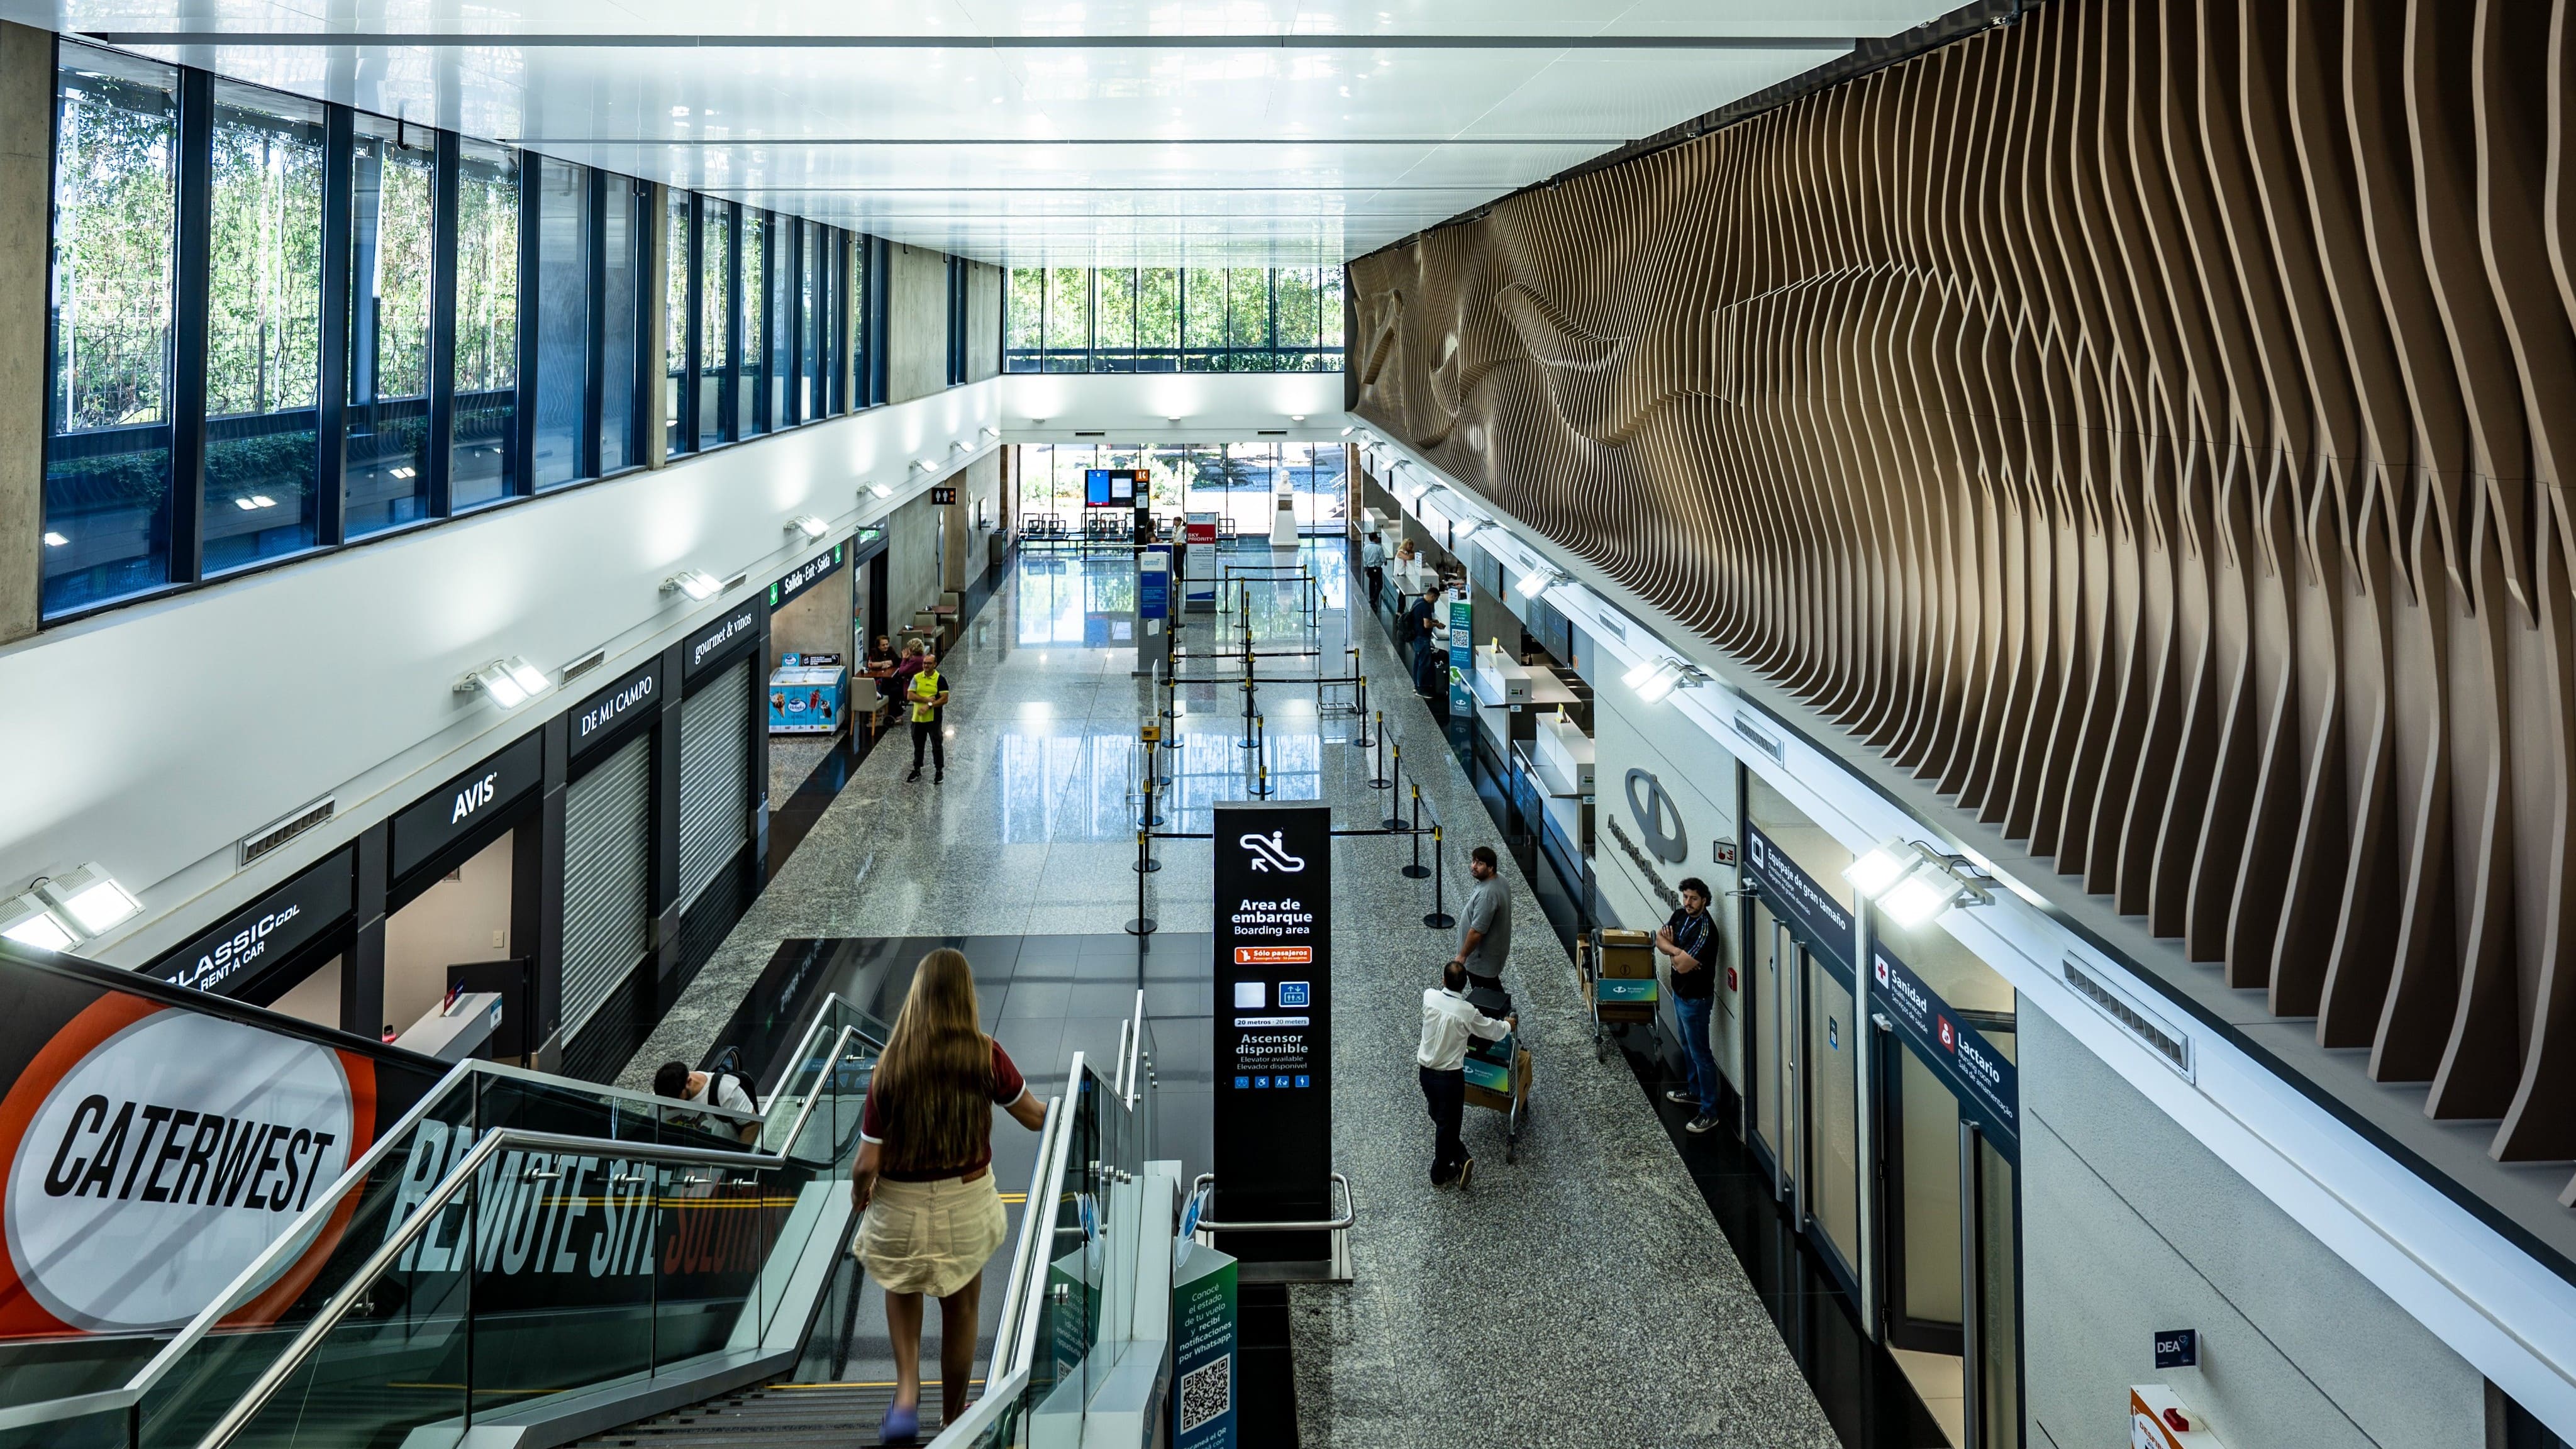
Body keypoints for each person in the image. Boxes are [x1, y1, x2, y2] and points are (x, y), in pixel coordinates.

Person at [852, 949, 1048, 1443]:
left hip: (899, 1201)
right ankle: (954, 1416)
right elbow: (1034, 1116)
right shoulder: (984, 1054)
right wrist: (1074, 1111)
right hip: (965, 1200)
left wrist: (861, 1193)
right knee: (960, 1311)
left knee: (901, 1285)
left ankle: (906, 1396)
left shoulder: (891, 1063)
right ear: (965, 996)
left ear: (917, 996)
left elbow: (867, 1163)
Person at [1418, 959, 1513, 1189]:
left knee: (1438, 1115)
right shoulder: (1467, 1012)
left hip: (1426, 1075)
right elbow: (1493, 1030)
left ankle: (1460, 1157)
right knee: (1447, 1125)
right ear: (1465, 984)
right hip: (1450, 1079)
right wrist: (1509, 1025)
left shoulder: (1429, 997)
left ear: (1443, 980)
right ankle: (1440, 1173)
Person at [1654, 877, 1724, 1134]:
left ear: (1704, 900)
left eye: (1693, 898)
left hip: (1696, 1000)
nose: (1688, 903)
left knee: (1701, 1055)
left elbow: (1682, 966)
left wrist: (1673, 954)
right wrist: (1676, 952)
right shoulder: (1680, 915)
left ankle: (1709, 1111)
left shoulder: (1706, 930)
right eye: (1685, 897)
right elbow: (1658, 939)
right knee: (1687, 1047)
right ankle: (1694, 1091)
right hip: (1680, 994)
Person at [1450, 844, 1512, 993]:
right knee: (1491, 988)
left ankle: (1506, 1014)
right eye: (1473, 861)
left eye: (1480, 864)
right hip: (1492, 955)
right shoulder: (1500, 880)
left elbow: (1477, 931)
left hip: (1481, 960)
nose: (1474, 866)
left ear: (1491, 868)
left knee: (1485, 995)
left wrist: (1463, 956)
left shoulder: (1487, 895)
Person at [652, 1058, 760, 1142]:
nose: (669, 1107)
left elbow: (752, 1124)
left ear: (689, 1082)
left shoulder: (725, 1090)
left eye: (675, 1100)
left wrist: (739, 1163)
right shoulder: (660, 1097)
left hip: (720, 1158)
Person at [905, 648, 950, 784]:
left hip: (934, 719)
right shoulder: (917, 678)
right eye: (925, 663)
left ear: (935, 664)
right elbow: (910, 695)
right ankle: (917, 769)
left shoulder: (940, 680)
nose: (926, 666)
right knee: (918, 745)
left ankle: (939, 771)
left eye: (929, 663)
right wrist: (926, 699)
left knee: (937, 744)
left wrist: (930, 706)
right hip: (917, 719)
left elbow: (944, 699)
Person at [1403, 589, 1439, 694]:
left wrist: (1434, 622)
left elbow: (1420, 619)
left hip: (1416, 637)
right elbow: (1426, 625)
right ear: (1432, 596)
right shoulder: (1426, 606)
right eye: (1436, 599)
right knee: (1424, 663)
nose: (1435, 602)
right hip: (1422, 638)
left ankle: (1416, 685)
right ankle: (1421, 689)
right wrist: (1436, 625)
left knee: (1417, 662)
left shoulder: (1418, 601)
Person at [1360, 529, 1386, 613]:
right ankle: (1373, 599)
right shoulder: (1379, 548)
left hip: (1369, 569)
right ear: (1375, 539)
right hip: (1377, 568)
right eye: (1377, 538)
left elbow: (1364, 560)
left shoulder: (1366, 548)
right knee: (1379, 585)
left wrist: (1365, 569)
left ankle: (1372, 600)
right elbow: (1383, 559)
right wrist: (1384, 562)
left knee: (1372, 584)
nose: (1378, 539)